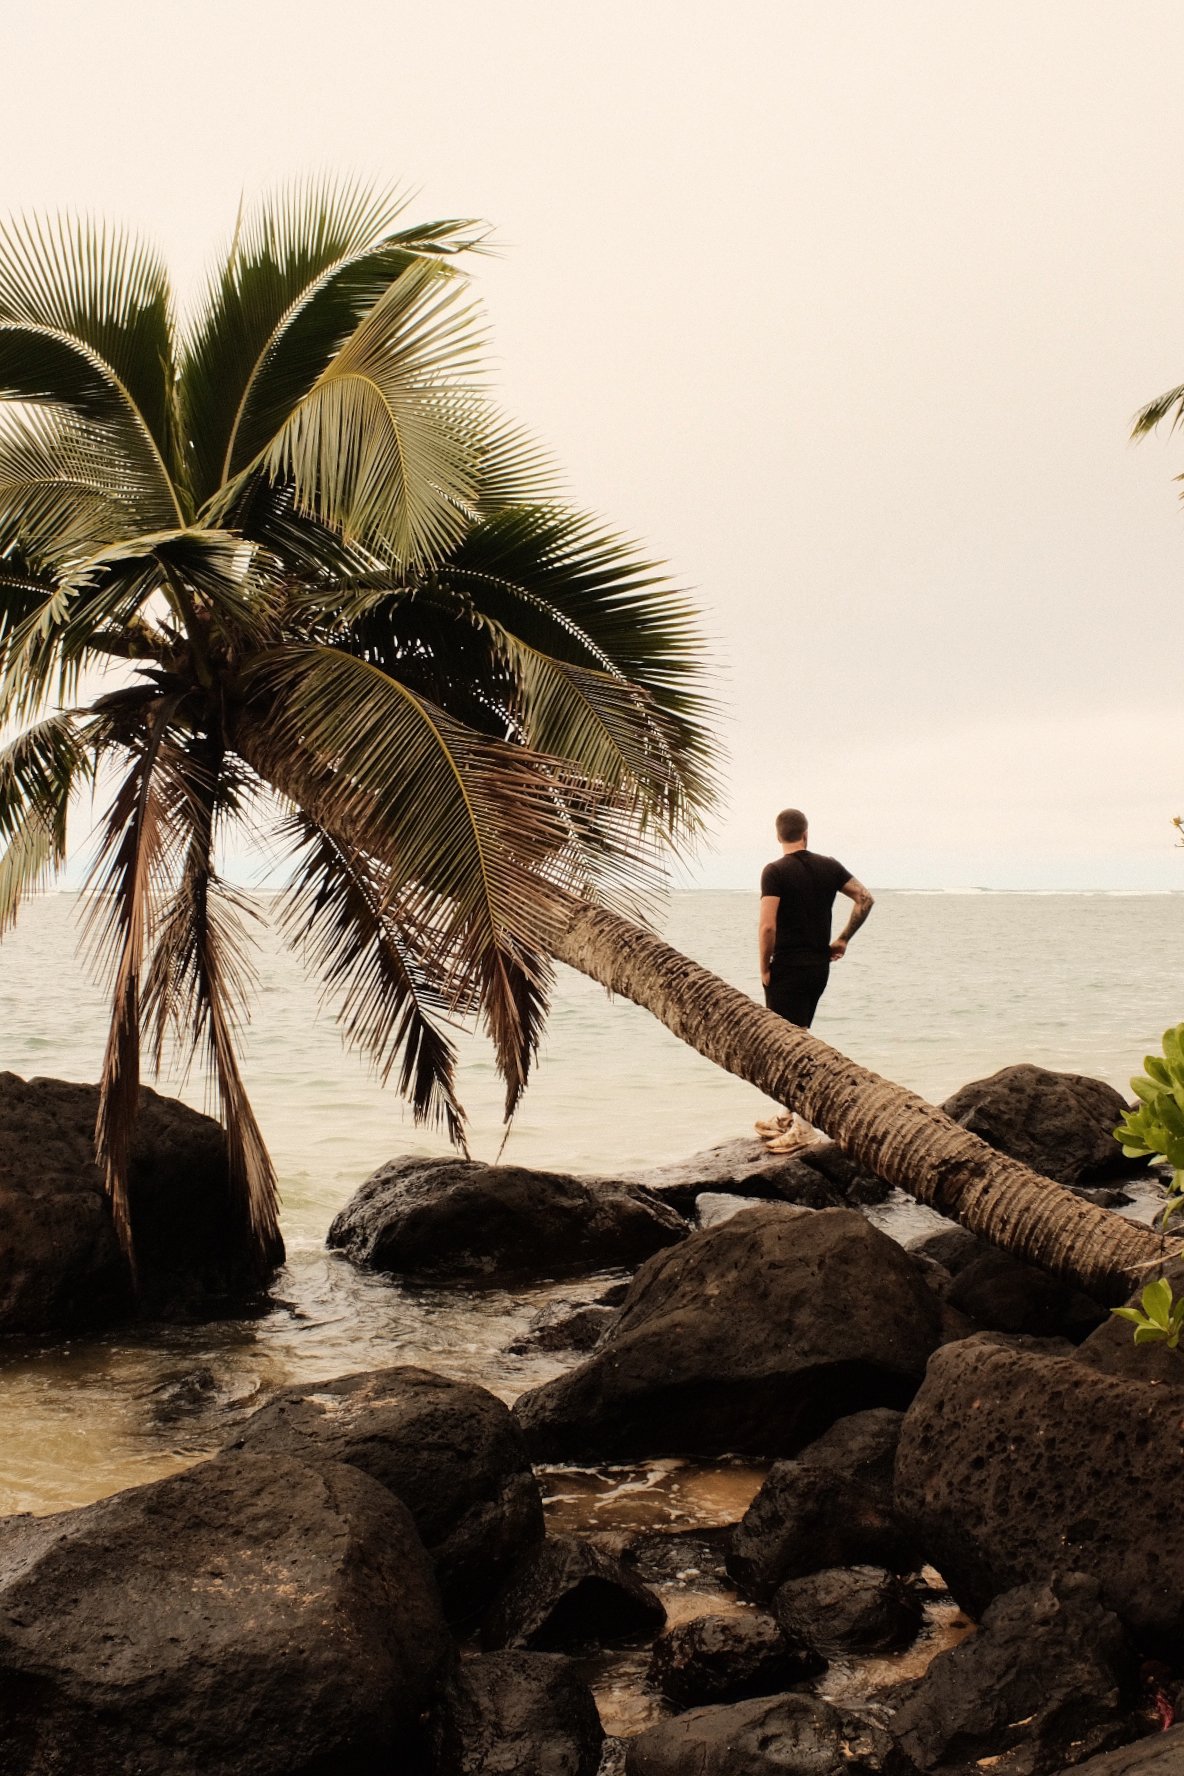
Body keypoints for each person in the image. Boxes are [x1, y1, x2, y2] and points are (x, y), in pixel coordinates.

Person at [755, 807, 874, 1152]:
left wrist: (764, 967)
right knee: (799, 1037)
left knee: (787, 1050)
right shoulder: (830, 866)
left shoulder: (774, 871)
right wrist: (843, 939)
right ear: (806, 833)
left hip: (788, 968)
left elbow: (767, 927)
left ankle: (804, 1126)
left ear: (778, 835)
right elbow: (865, 898)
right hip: (818, 967)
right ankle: (786, 1114)